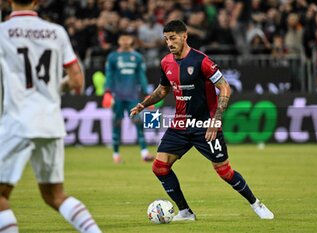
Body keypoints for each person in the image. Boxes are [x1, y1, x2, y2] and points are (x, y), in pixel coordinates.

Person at [130, 20, 274, 221]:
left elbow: (225, 88)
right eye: (166, 39)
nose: (169, 43)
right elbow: (163, 90)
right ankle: (185, 212)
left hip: (205, 125)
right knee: (159, 167)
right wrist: (143, 105)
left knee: (224, 171)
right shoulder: (166, 63)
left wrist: (216, 120)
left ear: (184, 36)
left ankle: (256, 204)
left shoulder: (202, 61)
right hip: (180, 125)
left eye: (173, 38)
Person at [0, 1, 102, 232]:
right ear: (37, 1)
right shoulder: (56, 32)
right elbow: (76, 80)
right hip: (50, 122)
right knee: (55, 196)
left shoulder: (3, 32)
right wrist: (55, 87)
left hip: (17, 120)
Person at [102, 32, 154, 164]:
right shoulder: (113, 57)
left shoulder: (137, 57)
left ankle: (144, 153)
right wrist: (107, 91)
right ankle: (116, 154)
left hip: (132, 97)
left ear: (131, 40)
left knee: (138, 123)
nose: (125, 41)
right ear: (119, 41)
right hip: (118, 96)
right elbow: (109, 75)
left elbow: (142, 76)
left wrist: (147, 93)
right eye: (122, 38)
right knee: (116, 123)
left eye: (127, 38)